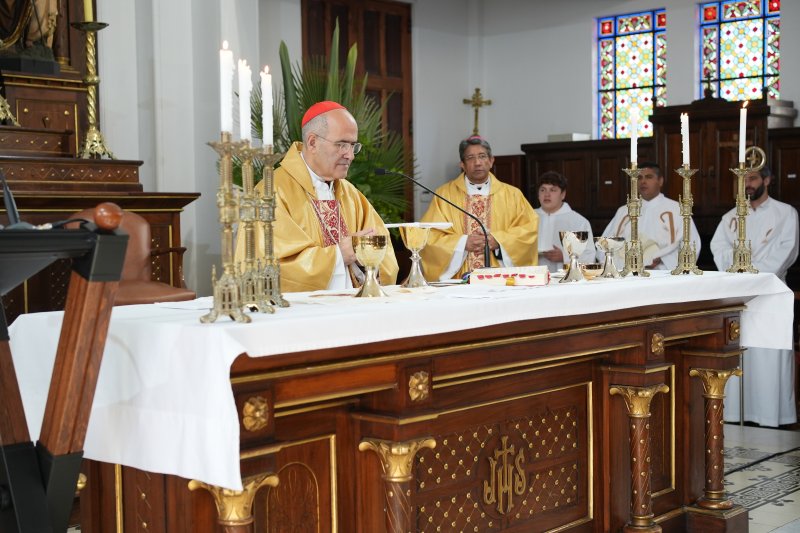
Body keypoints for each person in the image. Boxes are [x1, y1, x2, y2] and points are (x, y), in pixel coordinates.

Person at [235, 101, 398, 292]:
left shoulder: (351, 195)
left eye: (353, 145)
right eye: (341, 144)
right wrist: (340, 255)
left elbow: (385, 254)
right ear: (312, 142)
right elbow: (267, 266)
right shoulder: (270, 193)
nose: (350, 155)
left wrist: (366, 261)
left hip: (354, 305)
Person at [711, 165, 799, 427]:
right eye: (743, 179)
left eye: (752, 178)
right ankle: (737, 415)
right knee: (740, 353)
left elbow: (788, 249)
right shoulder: (730, 217)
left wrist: (755, 273)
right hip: (738, 295)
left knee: (768, 356)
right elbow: (718, 247)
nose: (747, 184)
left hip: (770, 293)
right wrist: (740, 272)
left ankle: (772, 417)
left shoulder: (785, 213)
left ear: (767, 180)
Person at [419, 135, 538, 280]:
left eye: (482, 156)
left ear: (491, 161)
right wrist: (462, 243)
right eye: (470, 158)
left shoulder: (512, 195)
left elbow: (528, 230)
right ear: (462, 164)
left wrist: (499, 241)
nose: (477, 163)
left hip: (500, 279)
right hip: (458, 279)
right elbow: (430, 236)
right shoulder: (444, 195)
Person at [598, 162, 701, 270]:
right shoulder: (624, 211)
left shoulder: (677, 209)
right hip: (626, 273)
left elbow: (691, 244)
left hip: (662, 273)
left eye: (648, 177)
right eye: (639, 178)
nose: (643, 181)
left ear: (660, 181)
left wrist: (662, 259)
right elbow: (605, 244)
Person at [535, 171, 595, 272]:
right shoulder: (527, 218)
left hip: (565, 277)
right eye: (543, 190)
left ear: (563, 194)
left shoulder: (578, 221)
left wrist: (564, 256)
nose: (547, 194)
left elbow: (589, 255)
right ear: (538, 194)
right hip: (533, 276)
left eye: (553, 190)